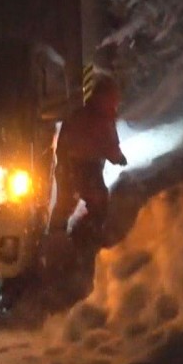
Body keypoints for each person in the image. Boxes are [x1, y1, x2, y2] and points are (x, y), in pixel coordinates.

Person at [48, 73, 128, 244]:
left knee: (65, 204)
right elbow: (110, 145)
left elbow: (64, 141)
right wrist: (119, 158)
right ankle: (83, 239)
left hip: (67, 166)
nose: (116, 102)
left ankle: (55, 239)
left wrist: (63, 163)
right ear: (106, 97)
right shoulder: (103, 118)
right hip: (87, 168)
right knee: (99, 203)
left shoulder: (79, 114)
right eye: (114, 98)